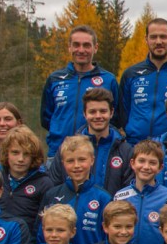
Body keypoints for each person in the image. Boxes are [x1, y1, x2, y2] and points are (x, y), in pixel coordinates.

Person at [117, 16, 167, 145]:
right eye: (153, 37)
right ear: (146, 39)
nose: (159, 41)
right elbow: (123, 111)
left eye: (163, 37)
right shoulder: (131, 74)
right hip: (135, 145)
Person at [41, 24, 118, 157]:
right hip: (58, 153)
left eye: (86, 45)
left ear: (95, 48)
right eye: (76, 45)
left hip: (95, 153)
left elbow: (116, 118)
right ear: (69, 47)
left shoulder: (108, 80)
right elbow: (46, 118)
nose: (81, 50)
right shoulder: (55, 79)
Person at [39, 134, 113, 244]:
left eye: (82, 160)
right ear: (63, 163)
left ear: (92, 160)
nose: (76, 165)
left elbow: (109, 239)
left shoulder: (104, 198)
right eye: (70, 161)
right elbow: (40, 235)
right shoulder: (52, 195)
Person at [113, 139, 167, 244]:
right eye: (141, 161)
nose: (146, 167)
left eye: (152, 163)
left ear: (160, 167)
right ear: (132, 163)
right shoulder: (120, 196)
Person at [74, 87, 133, 195]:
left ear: (111, 112)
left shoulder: (126, 151)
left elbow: (131, 191)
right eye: (92, 112)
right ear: (85, 114)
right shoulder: (70, 149)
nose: (98, 116)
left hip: (114, 206)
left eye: (103, 111)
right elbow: (58, 188)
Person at [0, 125, 51, 235]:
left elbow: (45, 224)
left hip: (28, 242)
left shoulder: (44, 184)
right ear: (6, 153)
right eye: (15, 153)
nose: (21, 159)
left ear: (34, 156)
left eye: (26, 154)